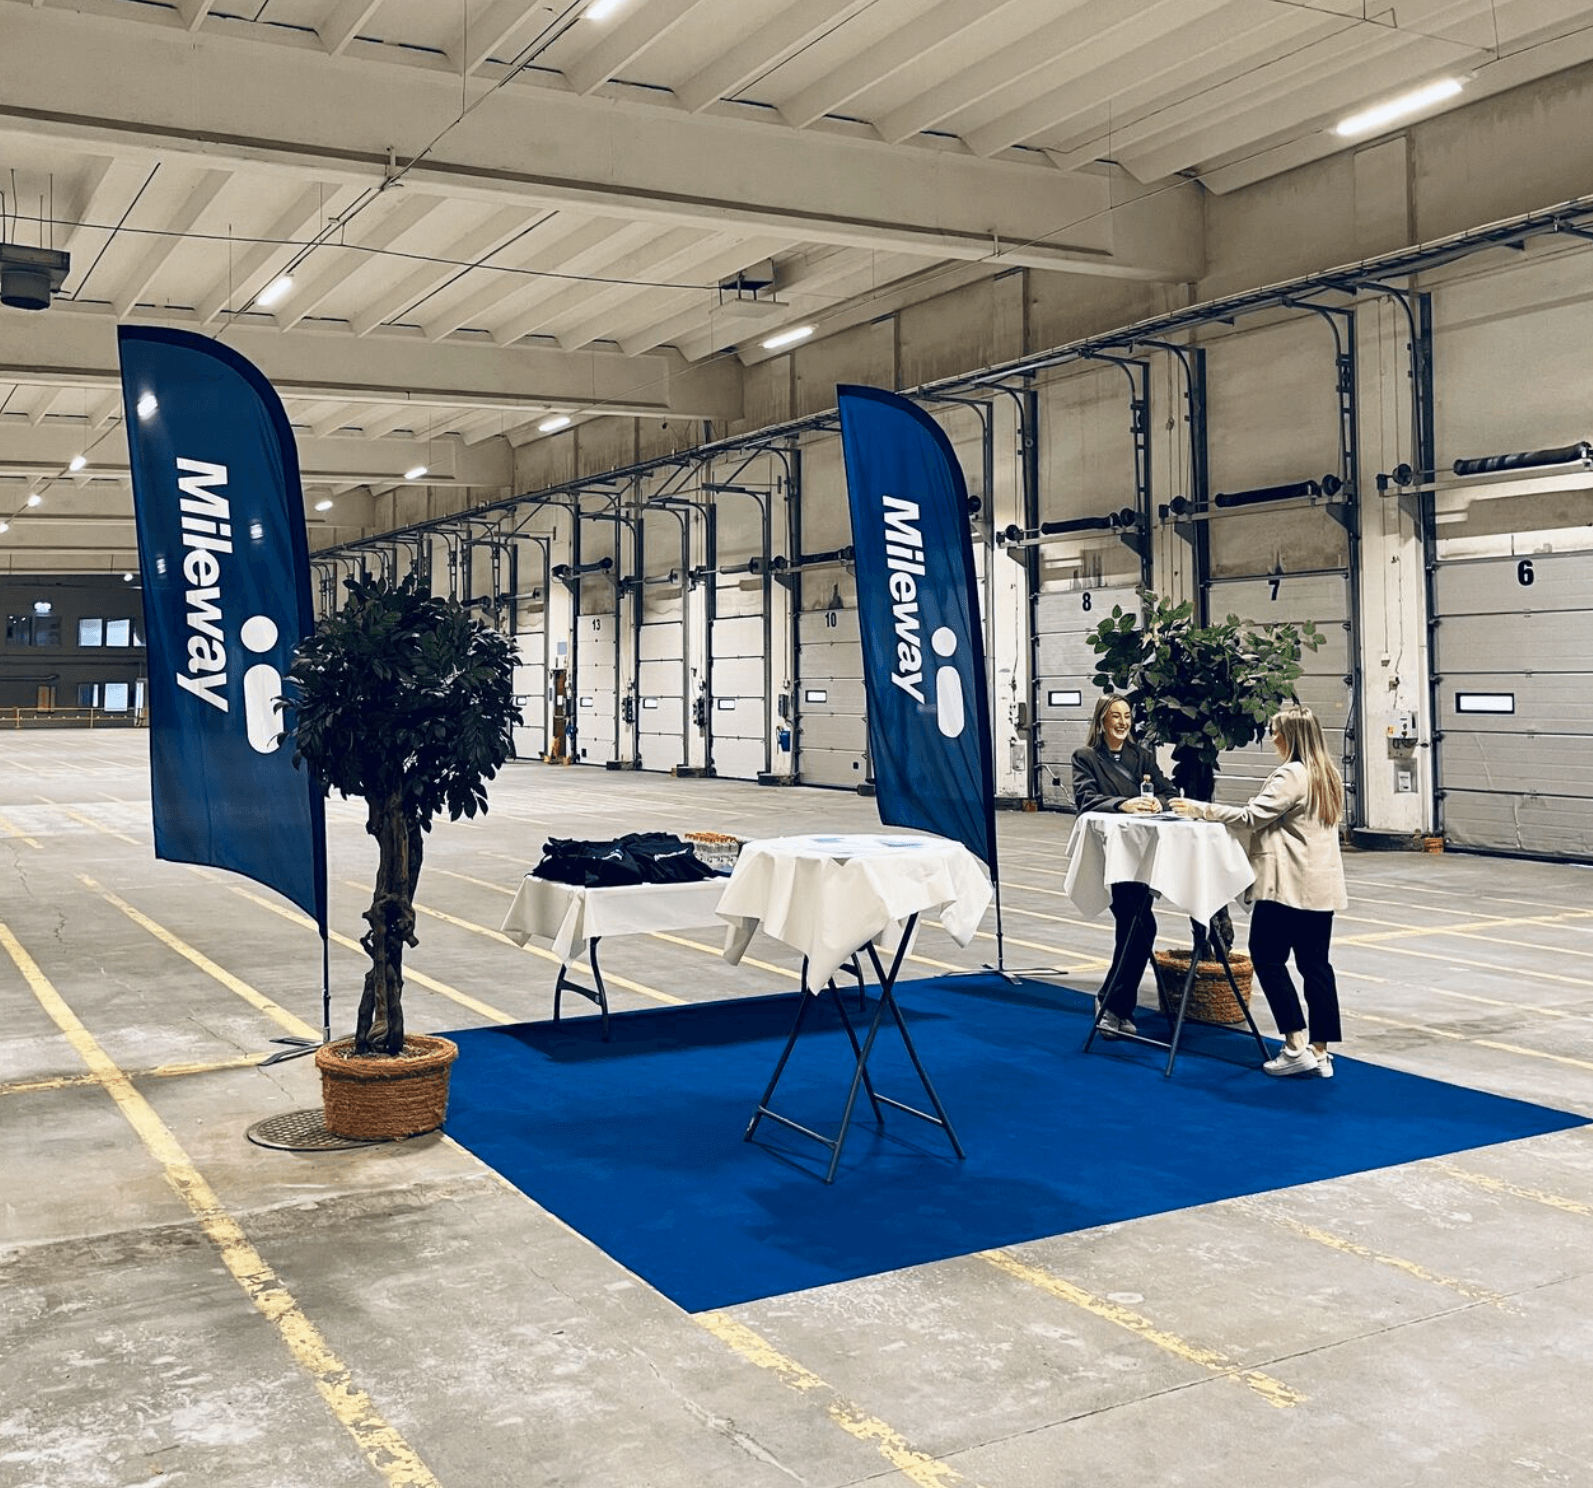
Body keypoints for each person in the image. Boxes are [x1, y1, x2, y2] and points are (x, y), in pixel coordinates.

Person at [1172, 704, 1346, 1078]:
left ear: (1291, 736)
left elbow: (1252, 816)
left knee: (1266, 958)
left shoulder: (1292, 775)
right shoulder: (1327, 775)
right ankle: (1321, 1050)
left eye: (1275, 731)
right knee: (1316, 966)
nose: (1272, 738)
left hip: (1285, 887)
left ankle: (1295, 1043)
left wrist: (1200, 809)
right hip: (1321, 888)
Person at [1072, 695, 1175, 1038]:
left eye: (1127, 715)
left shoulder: (1143, 755)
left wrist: (1155, 803)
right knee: (1138, 924)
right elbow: (1086, 799)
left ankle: (1113, 1004)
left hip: (1144, 854)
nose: (1122, 721)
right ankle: (1117, 1006)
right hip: (1112, 855)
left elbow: (1167, 791)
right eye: (1115, 715)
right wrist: (1123, 804)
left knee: (1136, 927)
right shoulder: (1085, 757)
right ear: (1101, 720)